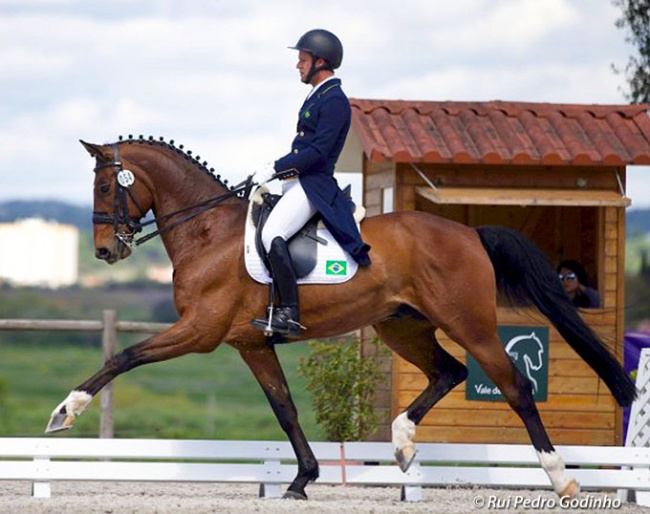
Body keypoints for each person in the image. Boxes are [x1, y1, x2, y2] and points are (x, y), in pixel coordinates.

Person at [250, 29, 371, 338]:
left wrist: (275, 167)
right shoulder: (319, 95)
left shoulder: (334, 100)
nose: (298, 65)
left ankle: (289, 313)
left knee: (272, 233)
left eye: (302, 59)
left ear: (320, 61)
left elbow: (317, 153)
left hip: (313, 184)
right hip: (298, 181)